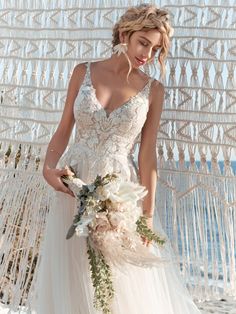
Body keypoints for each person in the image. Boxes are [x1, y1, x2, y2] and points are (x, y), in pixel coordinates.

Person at [27, 4, 201, 314]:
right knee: (73, 276)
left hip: (118, 193)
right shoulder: (83, 71)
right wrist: (48, 169)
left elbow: (147, 156)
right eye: (143, 43)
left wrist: (146, 217)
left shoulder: (153, 90)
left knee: (118, 283)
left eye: (155, 48)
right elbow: (64, 129)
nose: (147, 54)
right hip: (73, 185)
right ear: (124, 34)